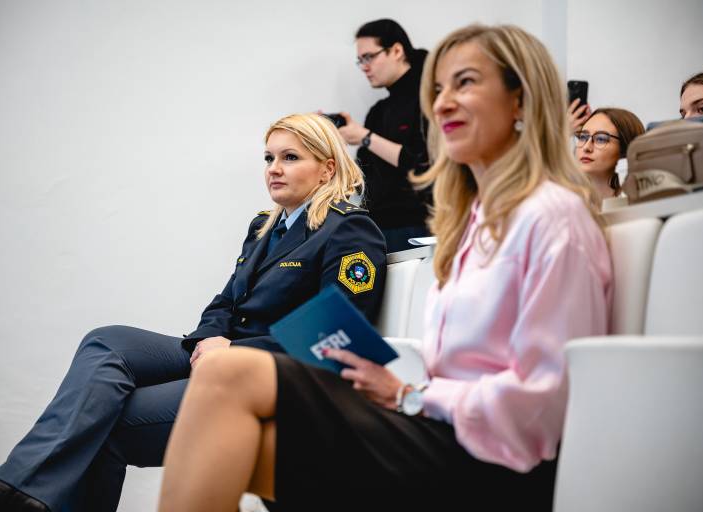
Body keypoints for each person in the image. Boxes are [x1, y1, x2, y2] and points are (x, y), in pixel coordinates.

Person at [157, 23, 612, 512]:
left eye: (464, 83)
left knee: (229, 373)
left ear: (520, 100)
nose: (442, 103)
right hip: (440, 425)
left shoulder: (552, 218)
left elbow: (541, 406)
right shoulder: (477, 220)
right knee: (240, 443)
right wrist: (405, 391)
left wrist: (411, 396)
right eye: (438, 89)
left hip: (494, 459)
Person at [0, 113, 387, 512]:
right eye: (269, 157)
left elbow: (336, 334)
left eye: (290, 157)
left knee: (103, 418)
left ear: (327, 168)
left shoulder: (347, 227)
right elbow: (225, 303)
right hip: (222, 354)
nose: (273, 168)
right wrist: (211, 340)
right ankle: (15, 489)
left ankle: (18, 496)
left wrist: (234, 353)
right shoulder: (264, 226)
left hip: (273, 375)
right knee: (107, 339)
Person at [336, 19, 431, 252]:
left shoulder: (432, 99)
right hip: (377, 228)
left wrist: (365, 137)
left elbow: (422, 164)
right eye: (360, 60)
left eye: (369, 57)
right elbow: (363, 180)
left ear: (397, 51)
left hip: (419, 227)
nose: (364, 67)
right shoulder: (378, 112)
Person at [575, 108, 644, 199]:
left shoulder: (643, 201)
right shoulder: (568, 199)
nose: (586, 147)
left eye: (600, 139)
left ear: (626, 148)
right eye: (583, 137)